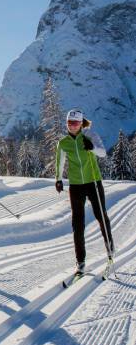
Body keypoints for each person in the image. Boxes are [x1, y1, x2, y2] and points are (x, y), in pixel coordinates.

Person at [55, 109, 114, 276]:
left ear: (81, 123)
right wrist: (58, 179)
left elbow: (102, 153)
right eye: (69, 123)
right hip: (76, 185)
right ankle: (80, 262)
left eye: (75, 123)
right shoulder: (63, 142)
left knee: (100, 215)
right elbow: (60, 161)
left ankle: (110, 250)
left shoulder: (90, 136)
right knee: (77, 223)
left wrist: (92, 147)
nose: (72, 126)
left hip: (93, 181)